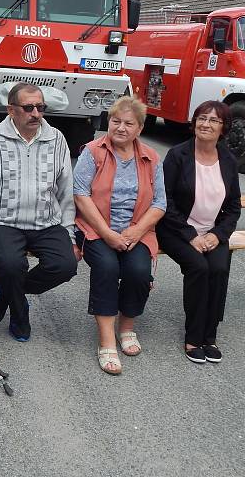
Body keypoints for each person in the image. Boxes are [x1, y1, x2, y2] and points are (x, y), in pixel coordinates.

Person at [0, 83, 79, 342]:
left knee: (65, 266)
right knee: (10, 264)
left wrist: (70, 235)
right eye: (28, 108)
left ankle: (6, 294)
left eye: (40, 107)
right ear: (11, 110)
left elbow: (66, 193)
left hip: (45, 222)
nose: (36, 114)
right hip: (2, 221)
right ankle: (19, 313)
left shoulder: (56, 139)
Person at [73, 96, 166, 375]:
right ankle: (106, 340)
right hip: (96, 229)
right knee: (107, 266)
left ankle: (126, 328)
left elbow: (160, 202)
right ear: (108, 123)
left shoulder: (151, 157)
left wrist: (137, 231)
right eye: (116, 121)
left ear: (139, 128)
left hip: (136, 231)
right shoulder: (93, 151)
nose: (121, 128)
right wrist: (107, 233)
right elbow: (80, 194)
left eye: (129, 123)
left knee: (138, 271)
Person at [157, 101, 241, 364]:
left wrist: (217, 235)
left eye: (214, 120)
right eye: (202, 118)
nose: (206, 124)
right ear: (194, 123)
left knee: (217, 268)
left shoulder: (228, 160)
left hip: (212, 232)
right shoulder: (178, 155)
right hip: (176, 230)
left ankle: (210, 335)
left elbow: (234, 207)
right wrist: (191, 235)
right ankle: (193, 336)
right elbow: (165, 201)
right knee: (199, 268)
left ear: (223, 128)